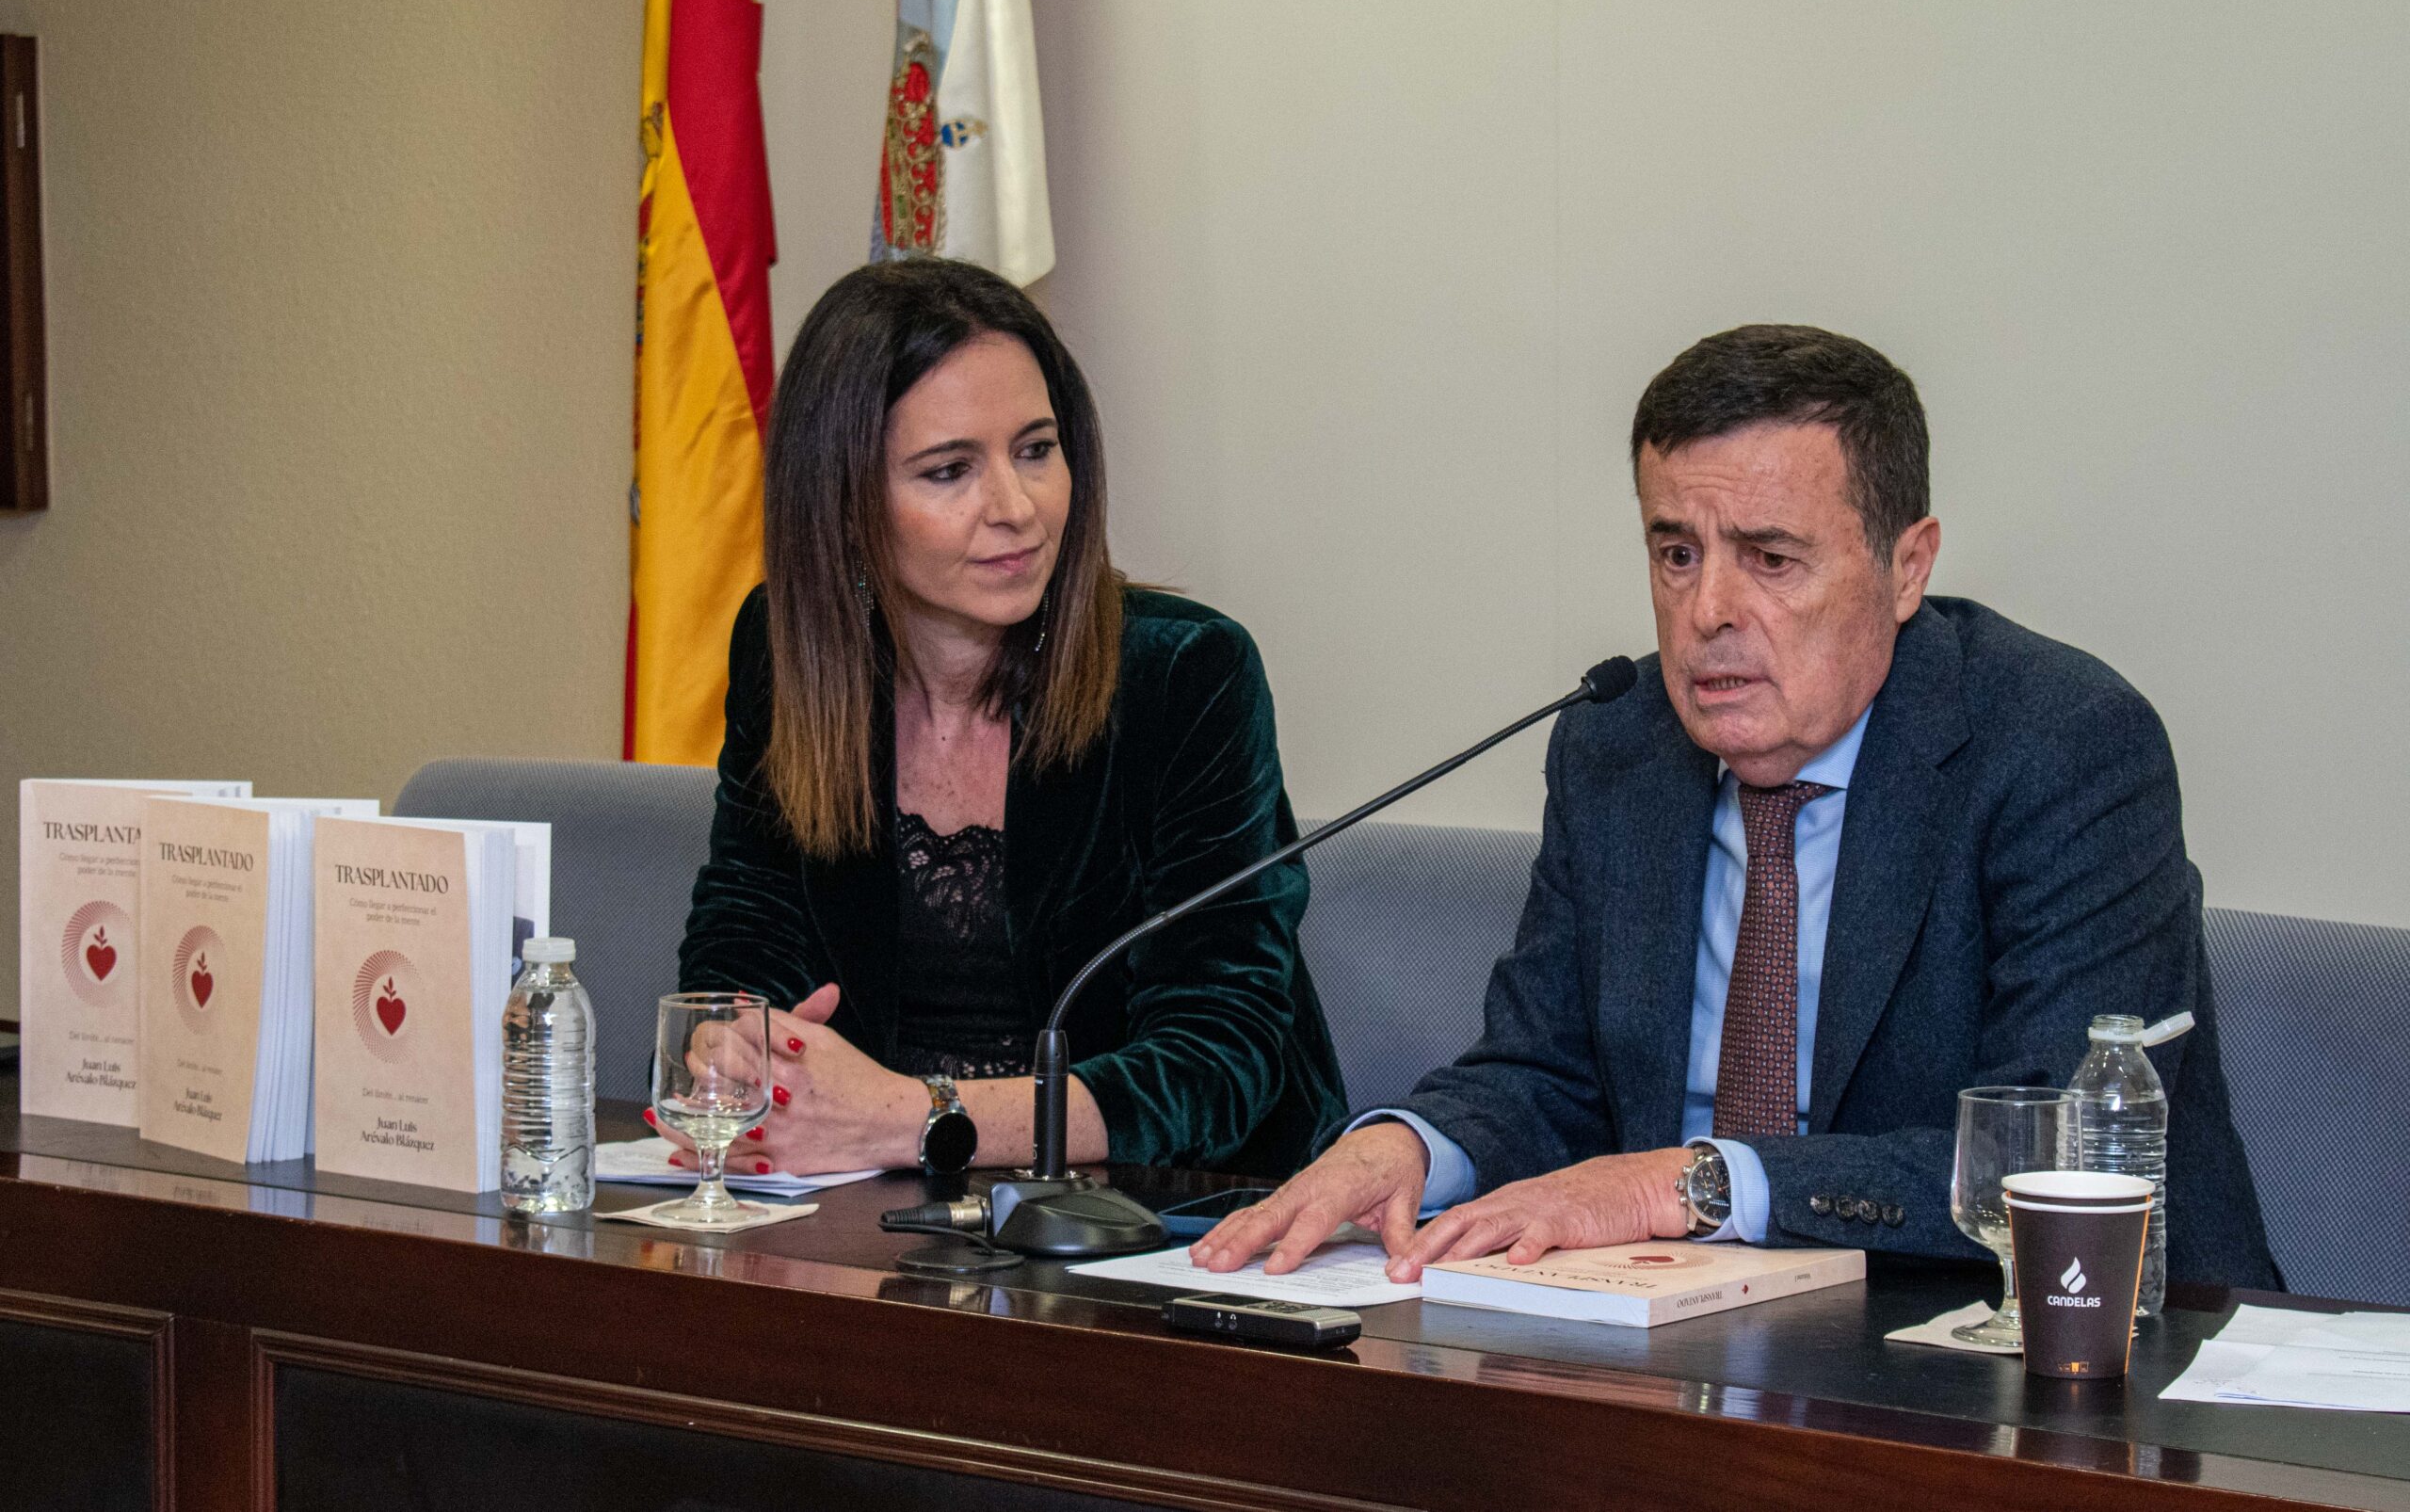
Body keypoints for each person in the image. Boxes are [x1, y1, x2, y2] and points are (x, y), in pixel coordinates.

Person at [1195, 324, 2280, 1290]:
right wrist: (1407, 1147)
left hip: (2036, 1337)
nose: (1707, 609)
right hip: (1682, 1330)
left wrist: (1687, 1183)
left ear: (1906, 567)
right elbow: (1547, 1070)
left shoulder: (2060, 743)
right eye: (1676, 553)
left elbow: (2064, 1151)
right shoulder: (1616, 743)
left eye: (1769, 558)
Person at [674, 259, 1344, 1180]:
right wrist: (735, 1045)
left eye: (1036, 449)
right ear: (842, 500)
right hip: (871, 1195)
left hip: (1168, 1210)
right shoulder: (786, 647)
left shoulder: (1185, 673)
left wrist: (915, 1118)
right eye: (950, 470)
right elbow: (748, 922)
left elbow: (1219, 1061)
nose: (1017, 508)